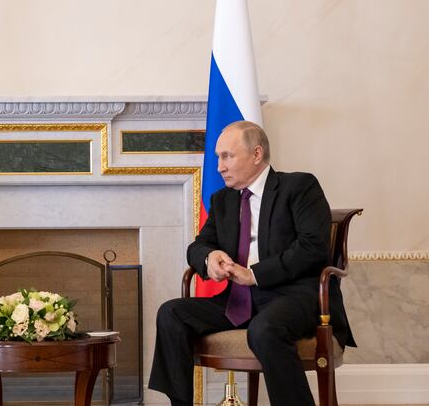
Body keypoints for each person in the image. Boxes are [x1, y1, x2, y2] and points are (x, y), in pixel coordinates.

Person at [148, 120, 354, 406]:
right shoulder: (222, 200)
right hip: (239, 300)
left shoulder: (299, 186)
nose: (219, 166)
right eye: (218, 157)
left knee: (265, 329)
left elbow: (312, 249)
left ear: (256, 154)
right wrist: (210, 258)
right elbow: (198, 246)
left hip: (295, 297)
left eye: (227, 156)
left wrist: (254, 275)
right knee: (171, 313)